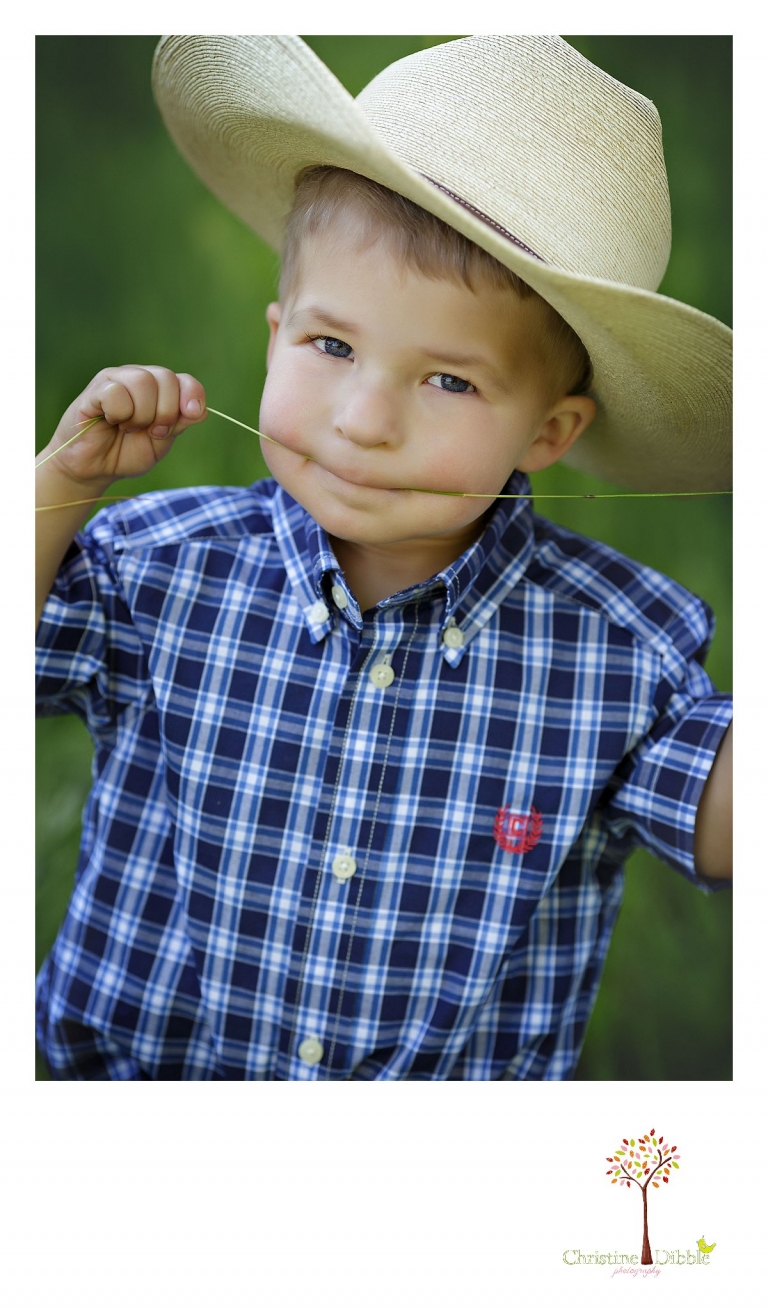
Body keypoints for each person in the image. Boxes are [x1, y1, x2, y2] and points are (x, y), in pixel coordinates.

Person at [35, 35, 732, 1080]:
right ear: (273, 338)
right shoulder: (153, 568)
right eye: (332, 347)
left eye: (448, 381)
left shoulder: (616, 656)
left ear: (550, 430)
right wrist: (57, 491)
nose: (363, 421)